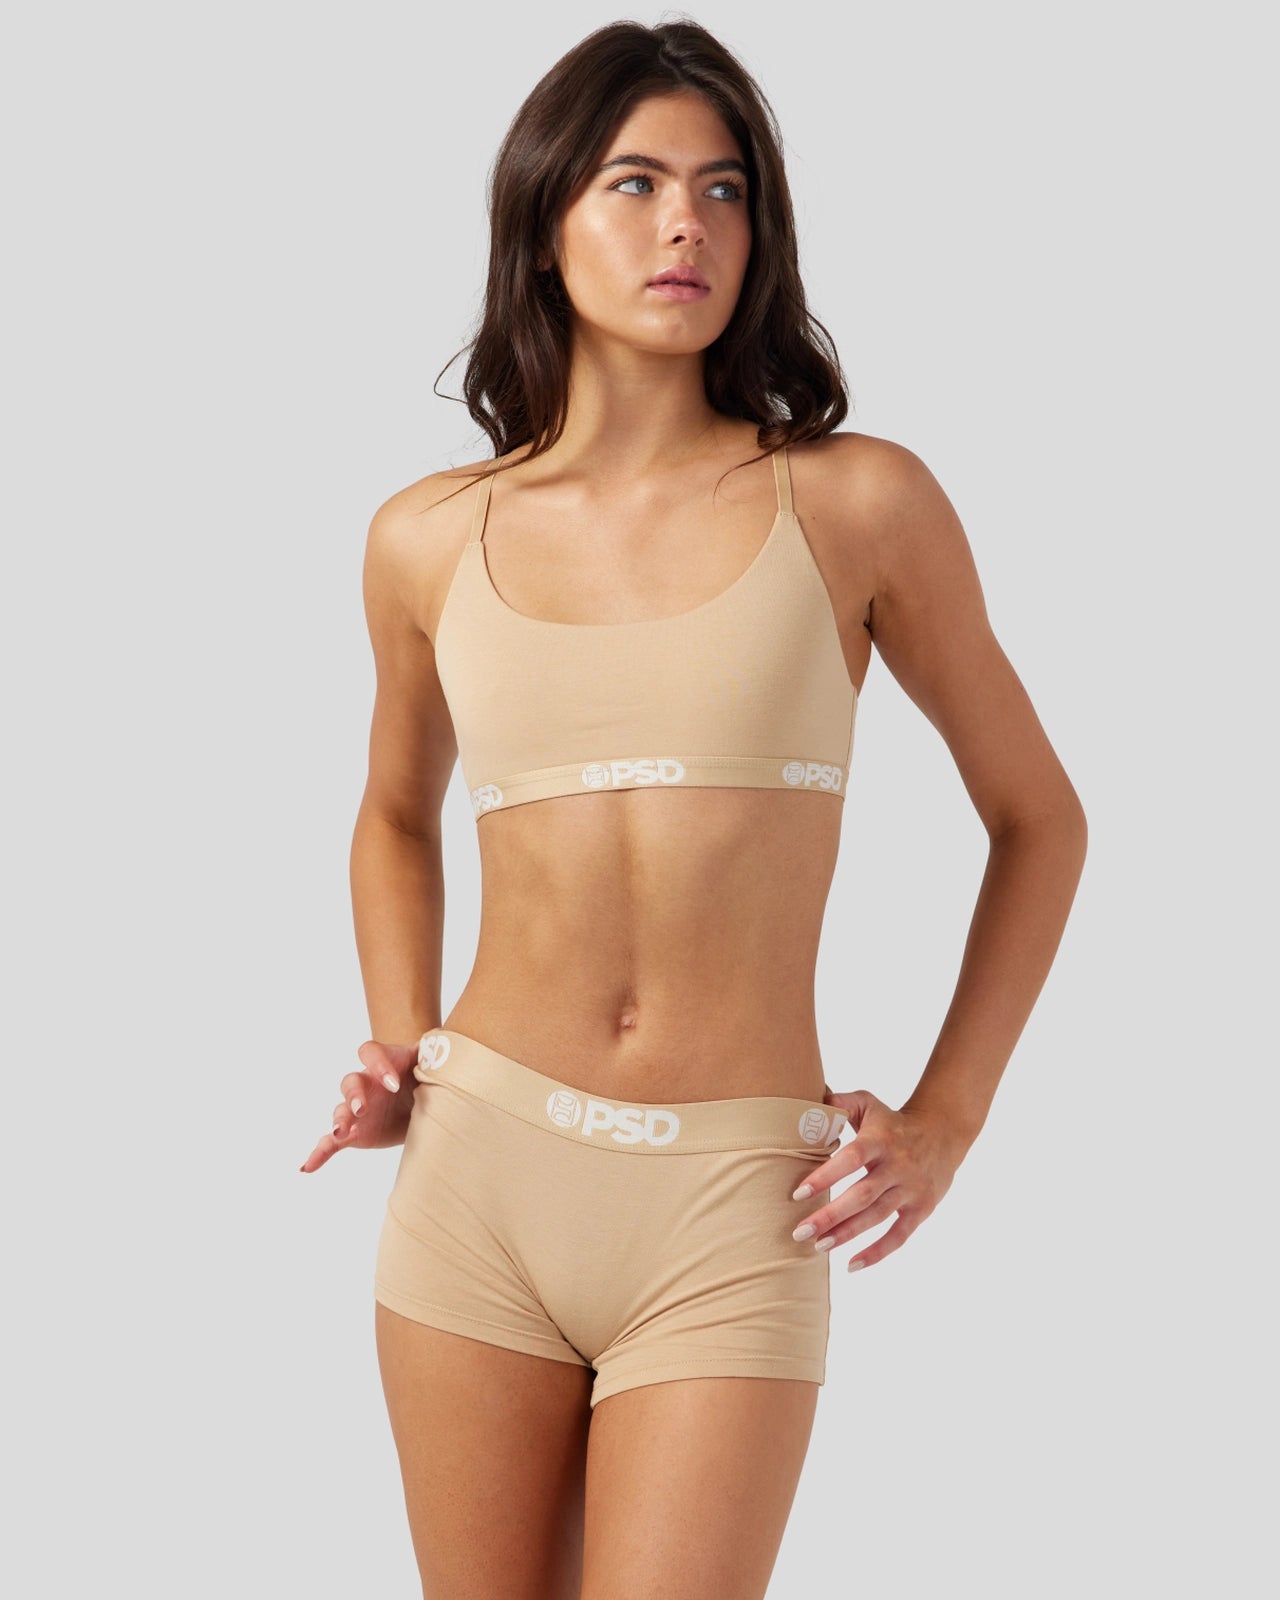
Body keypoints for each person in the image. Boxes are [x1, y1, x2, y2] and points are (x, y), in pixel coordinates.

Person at [300, 18, 1087, 1599]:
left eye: (726, 189)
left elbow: (1038, 820)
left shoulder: (857, 502)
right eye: (637, 182)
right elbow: (392, 811)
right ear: (543, 222)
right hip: (481, 1181)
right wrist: (399, 1040)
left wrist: (950, 1119)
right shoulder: (427, 537)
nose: (688, 225)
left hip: (735, 1199)